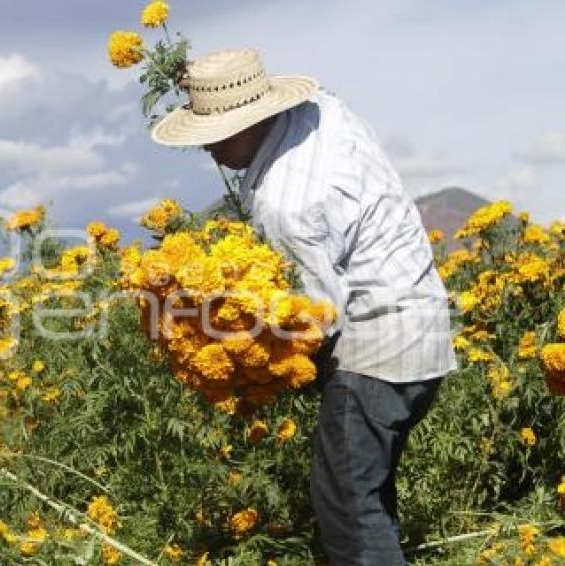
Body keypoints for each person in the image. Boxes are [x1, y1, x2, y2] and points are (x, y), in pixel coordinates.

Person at [150, 48, 456, 565]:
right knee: (364, 491)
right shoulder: (321, 112)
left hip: (378, 347)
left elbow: (316, 316)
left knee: (347, 507)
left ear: (255, 119)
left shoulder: (287, 203)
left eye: (218, 134)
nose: (209, 150)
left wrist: (247, 364)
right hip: (421, 323)